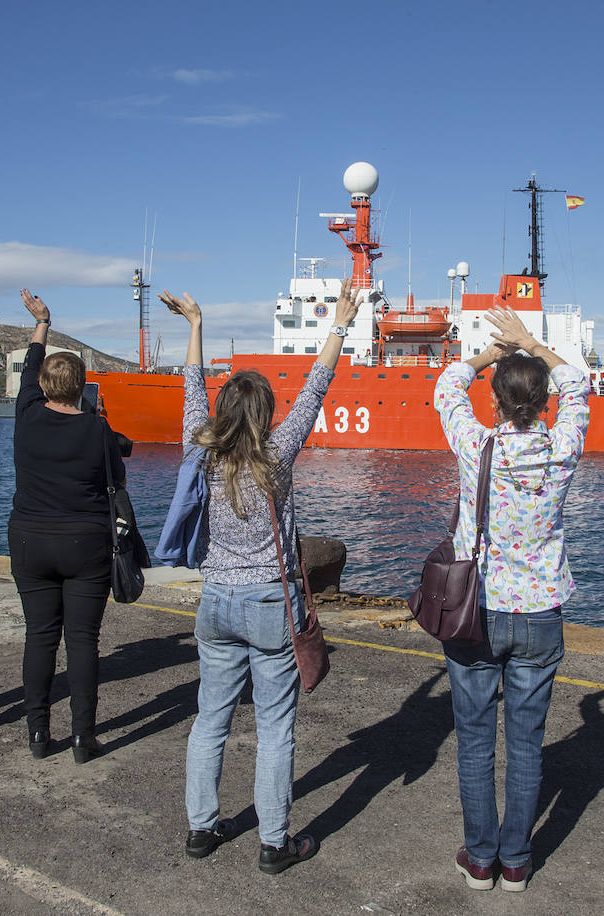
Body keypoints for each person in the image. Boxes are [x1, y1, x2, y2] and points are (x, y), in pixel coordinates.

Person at [162, 278, 358, 875]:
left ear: (222, 413)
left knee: (210, 719)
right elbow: (317, 388)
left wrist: (195, 323)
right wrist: (340, 325)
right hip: (270, 603)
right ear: (269, 414)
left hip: (216, 599)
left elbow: (193, 389)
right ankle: (275, 843)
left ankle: (201, 829)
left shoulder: (205, 451)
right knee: (275, 729)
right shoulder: (278, 454)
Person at [432, 304, 590, 892]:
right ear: (544, 403)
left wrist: (488, 355)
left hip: (478, 611)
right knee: (526, 744)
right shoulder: (561, 448)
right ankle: (518, 862)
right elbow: (578, 385)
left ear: (494, 402)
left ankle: (480, 859)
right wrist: (532, 343)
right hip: (540, 613)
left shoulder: (477, 447)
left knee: (474, 738)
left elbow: (447, 384)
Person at [8, 289, 123, 763]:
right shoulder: (97, 430)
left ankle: (38, 733)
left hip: (30, 539)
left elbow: (32, 371)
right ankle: (82, 737)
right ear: (82, 388)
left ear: (40, 385)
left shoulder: (25, 417)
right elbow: (115, 481)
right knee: (82, 641)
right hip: (85, 543)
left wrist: (43, 323)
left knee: (39, 636)